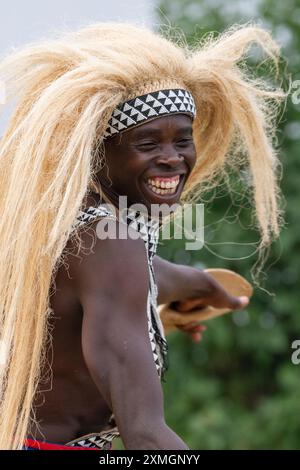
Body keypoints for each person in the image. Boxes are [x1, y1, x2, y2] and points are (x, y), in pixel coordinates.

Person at [0, 22, 285, 450]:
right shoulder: (111, 244)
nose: (172, 159)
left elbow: (146, 274)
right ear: (100, 148)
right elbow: (145, 435)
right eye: (147, 143)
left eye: (182, 140)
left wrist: (206, 287)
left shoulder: (71, 222)